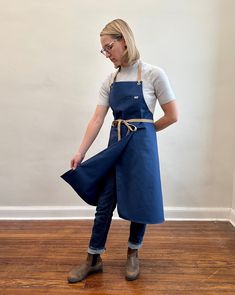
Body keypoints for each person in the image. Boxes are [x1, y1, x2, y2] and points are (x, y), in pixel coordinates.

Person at [61, 18, 178, 283]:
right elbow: (97, 119)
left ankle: (133, 253)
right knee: (105, 202)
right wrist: (81, 152)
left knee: (141, 199)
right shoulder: (110, 80)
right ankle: (93, 258)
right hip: (116, 145)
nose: (106, 54)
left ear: (124, 41)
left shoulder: (153, 74)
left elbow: (172, 115)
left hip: (141, 147)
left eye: (108, 47)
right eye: (103, 49)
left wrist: (145, 133)